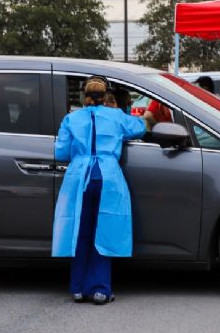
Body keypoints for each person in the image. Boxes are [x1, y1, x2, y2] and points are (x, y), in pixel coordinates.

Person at [52, 76, 146, 305]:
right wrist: (123, 109)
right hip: (108, 178)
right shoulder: (116, 117)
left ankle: (77, 288)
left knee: (80, 232)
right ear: (106, 96)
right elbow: (140, 128)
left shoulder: (71, 118)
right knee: (104, 231)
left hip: (78, 178)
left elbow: (61, 153)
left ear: (84, 96)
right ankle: (100, 290)